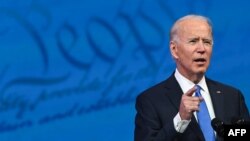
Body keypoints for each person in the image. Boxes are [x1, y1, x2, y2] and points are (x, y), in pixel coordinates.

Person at [134, 14, 250, 141]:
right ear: (174, 50)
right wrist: (180, 120)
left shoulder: (232, 97)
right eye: (193, 41)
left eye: (207, 42)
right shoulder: (150, 101)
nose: (202, 49)